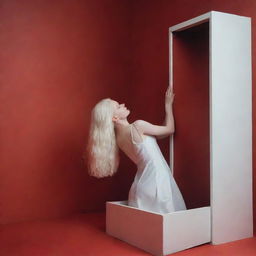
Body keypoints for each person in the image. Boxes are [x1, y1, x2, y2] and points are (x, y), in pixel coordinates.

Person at [85, 85, 187, 213]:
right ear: (115, 118)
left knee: (146, 227)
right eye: (118, 107)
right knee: (169, 224)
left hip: (140, 184)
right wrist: (168, 105)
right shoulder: (138, 126)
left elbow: (161, 134)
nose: (122, 104)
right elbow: (170, 129)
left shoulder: (119, 139)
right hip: (157, 180)